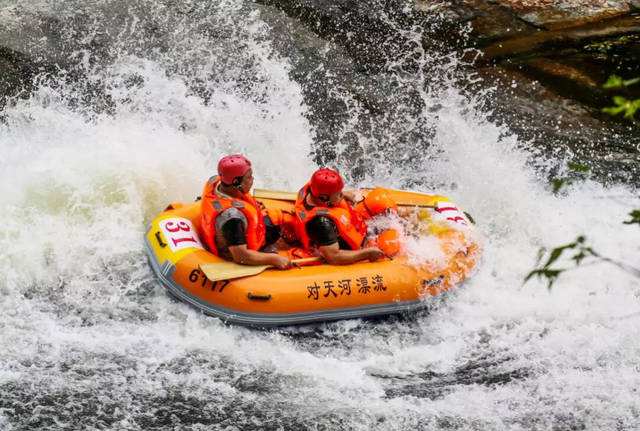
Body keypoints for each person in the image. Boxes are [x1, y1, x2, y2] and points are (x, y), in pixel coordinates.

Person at [200, 154, 291, 269]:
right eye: (249, 177)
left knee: (275, 218)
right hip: (238, 248)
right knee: (276, 227)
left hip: (240, 232)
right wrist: (274, 259)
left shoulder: (217, 181)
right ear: (236, 183)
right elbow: (241, 256)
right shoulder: (232, 218)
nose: (252, 179)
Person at [293, 168, 387, 265]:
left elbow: (326, 189)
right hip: (350, 246)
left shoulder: (314, 188)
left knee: (382, 203)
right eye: (338, 194)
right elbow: (334, 257)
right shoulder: (321, 224)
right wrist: (366, 254)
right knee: (391, 244)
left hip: (356, 226)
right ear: (324, 198)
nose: (342, 195)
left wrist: (341, 194)